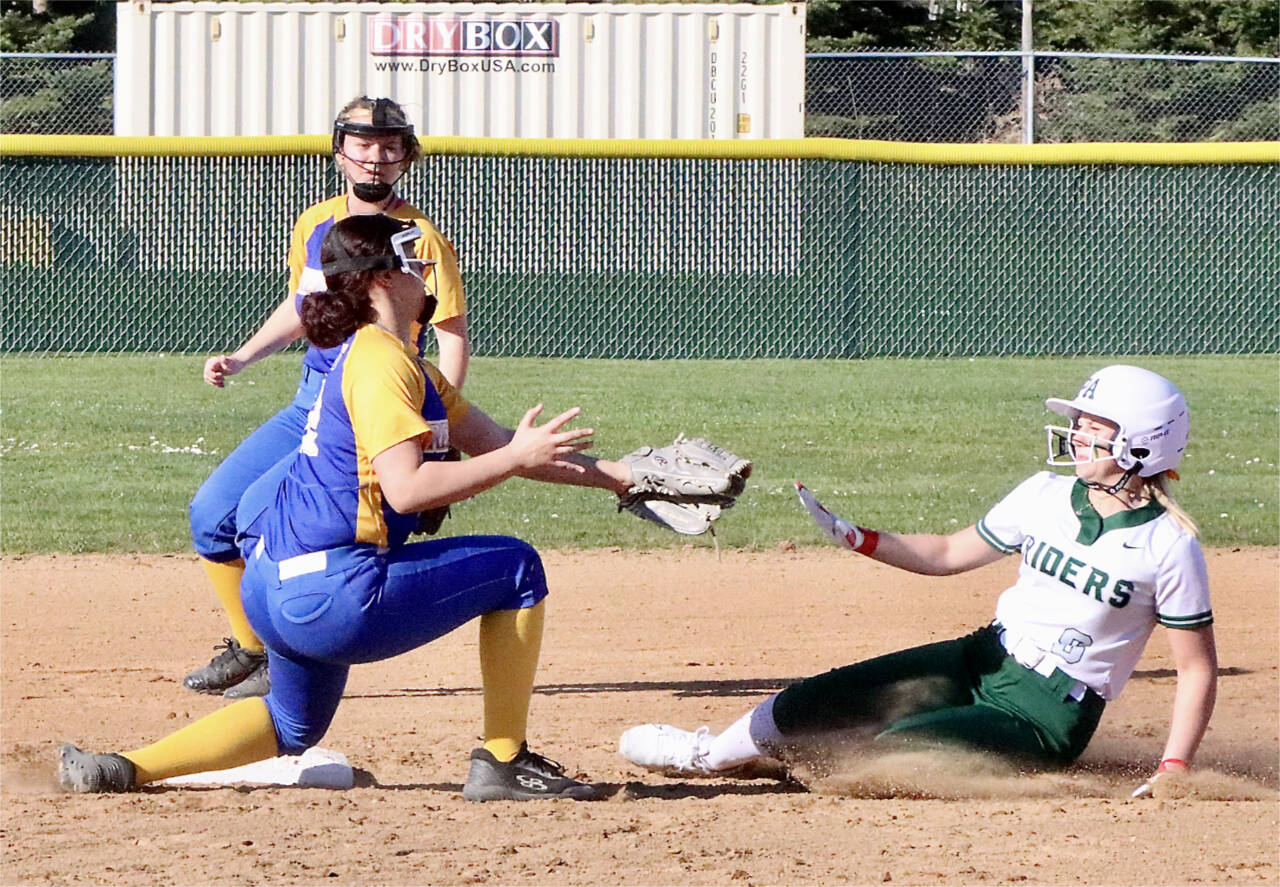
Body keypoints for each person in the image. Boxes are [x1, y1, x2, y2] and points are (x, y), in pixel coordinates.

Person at [59, 213, 644, 801]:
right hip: (331, 597)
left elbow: (495, 443)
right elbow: (411, 490)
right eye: (412, 261)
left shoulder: (388, 359)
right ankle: (504, 760)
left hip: (273, 588)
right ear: (381, 280)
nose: (426, 271)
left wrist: (626, 479)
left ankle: (122, 767)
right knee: (516, 568)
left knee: (292, 725)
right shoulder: (383, 363)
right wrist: (514, 460)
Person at [619, 365, 1216, 798]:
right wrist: (860, 538)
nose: (1077, 436)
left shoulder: (1169, 545)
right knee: (817, 699)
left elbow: (1195, 668)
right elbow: (951, 552)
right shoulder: (1045, 495)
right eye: (1079, 424)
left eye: (1094, 428)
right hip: (982, 657)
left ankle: (789, 764)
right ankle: (707, 755)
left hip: (1046, 715)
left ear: (1143, 442)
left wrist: (1174, 768)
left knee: (893, 752)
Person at [185, 96, 468, 700]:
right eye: (363, 144)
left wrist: (437, 431)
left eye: (390, 148)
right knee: (213, 516)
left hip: (381, 397)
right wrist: (243, 355)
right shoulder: (316, 223)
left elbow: (449, 335)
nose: (376, 158)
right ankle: (254, 649)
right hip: (315, 397)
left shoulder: (419, 238)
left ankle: (294, 653)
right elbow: (304, 306)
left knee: (276, 521)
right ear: (340, 150)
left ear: (406, 159)